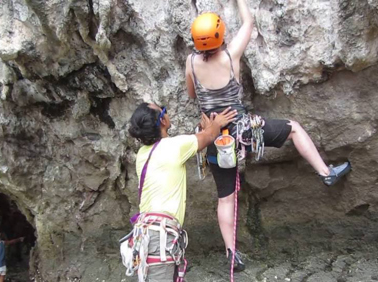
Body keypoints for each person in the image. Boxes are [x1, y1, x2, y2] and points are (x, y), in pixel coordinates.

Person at [185, 0, 352, 271]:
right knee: (294, 128)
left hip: (215, 141)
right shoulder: (230, 56)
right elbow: (249, 24)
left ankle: (231, 254)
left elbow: (192, 94)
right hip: (246, 133)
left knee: (225, 197)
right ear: (220, 37)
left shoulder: (191, 63)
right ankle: (325, 172)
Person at [125, 103, 237, 281]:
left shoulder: (142, 154)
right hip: (159, 238)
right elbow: (208, 136)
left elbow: (202, 136)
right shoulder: (175, 147)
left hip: (146, 234)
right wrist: (218, 122)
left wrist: (208, 129)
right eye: (164, 109)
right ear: (162, 119)